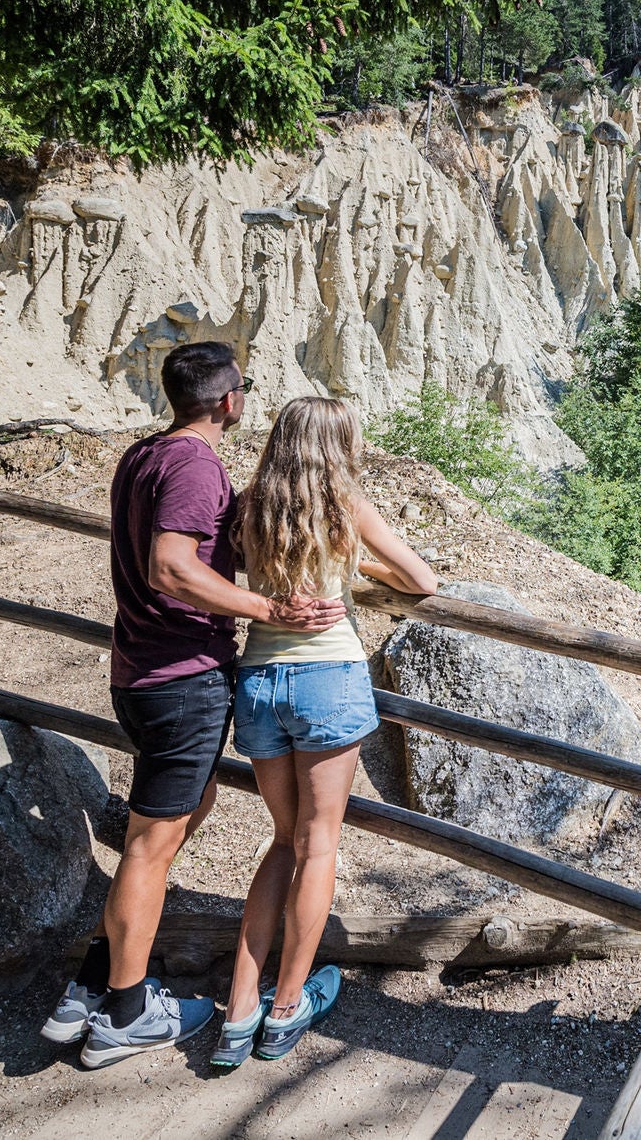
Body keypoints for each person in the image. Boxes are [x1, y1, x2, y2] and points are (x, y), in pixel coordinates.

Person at [42, 341, 344, 1068]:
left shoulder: (142, 455)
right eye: (242, 388)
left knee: (165, 834)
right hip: (181, 679)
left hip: (141, 674)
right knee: (152, 846)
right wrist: (267, 606)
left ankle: (92, 982)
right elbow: (171, 565)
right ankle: (124, 1012)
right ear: (227, 400)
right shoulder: (194, 463)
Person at [210, 396, 436, 1068]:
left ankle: (238, 1010)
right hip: (324, 681)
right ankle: (286, 1009)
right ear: (338, 444)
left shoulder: (249, 504)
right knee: (318, 846)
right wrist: (353, 562)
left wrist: (338, 564)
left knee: (283, 840)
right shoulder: (344, 507)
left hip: (258, 681)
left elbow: (243, 571)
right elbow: (422, 579)